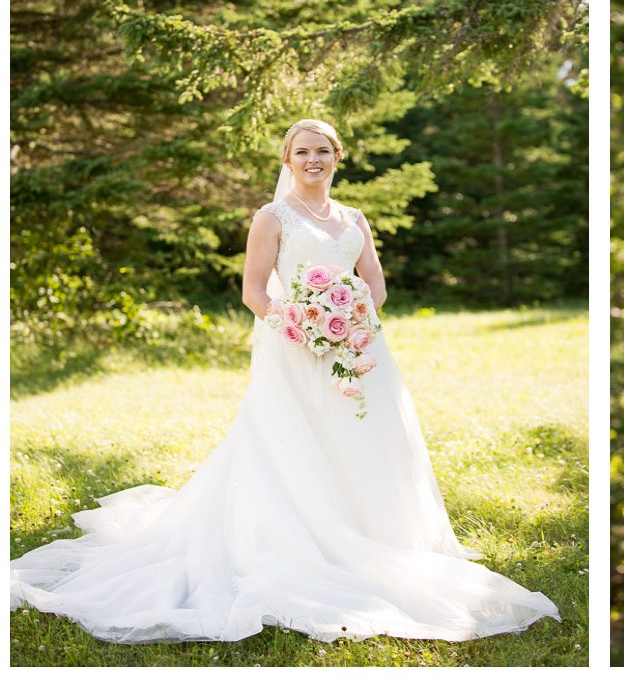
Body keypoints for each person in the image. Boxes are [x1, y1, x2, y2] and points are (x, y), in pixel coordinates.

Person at [10, 119, 560, 644]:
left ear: (337, 158)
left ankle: (370, 532)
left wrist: (351, 321)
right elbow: (254, 292)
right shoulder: (272, 217)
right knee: (290, 442)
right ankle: (293, 535)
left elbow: (374, 283)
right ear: (287, 160)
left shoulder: (355, 219)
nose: (313, 160)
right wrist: (303, 326)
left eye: (322, 151)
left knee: (363, 440)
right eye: (302, 152)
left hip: (356, 347)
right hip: (292, 348)